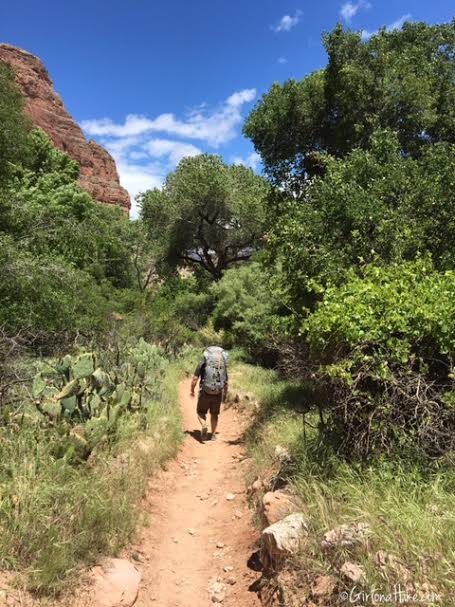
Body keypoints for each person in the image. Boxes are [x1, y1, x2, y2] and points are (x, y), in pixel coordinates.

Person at [190, 346, 228, 441]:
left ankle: (204, 425)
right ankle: (213, 434)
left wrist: (192, 390)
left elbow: (195, 378)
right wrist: (225, 394)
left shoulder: (202, 364)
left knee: (200, 412)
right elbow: (226, 382)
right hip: (218, 392)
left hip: (205, 392)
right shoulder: (221, 366)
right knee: (214, 414)